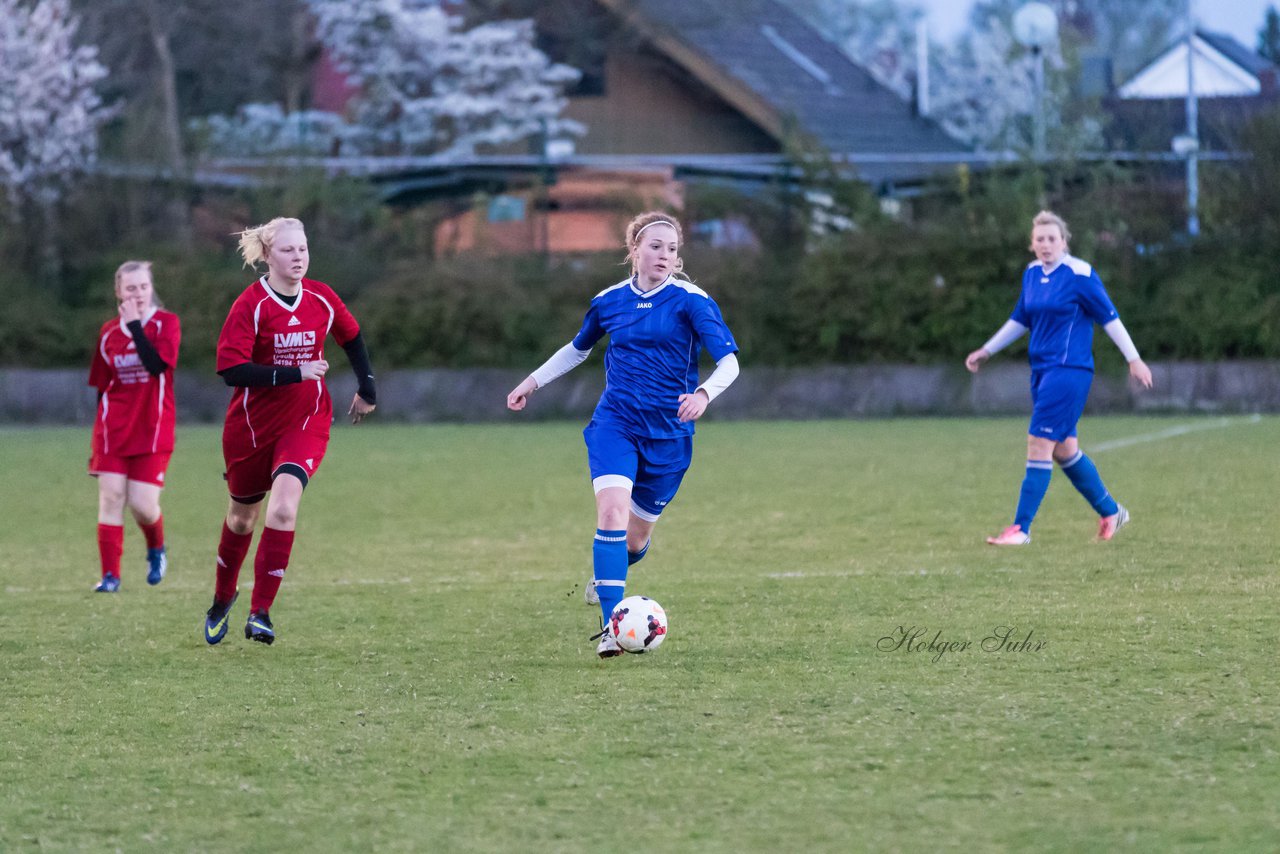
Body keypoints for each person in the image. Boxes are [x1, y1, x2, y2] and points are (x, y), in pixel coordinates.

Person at [506, 211, 740, 658]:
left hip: (669, 436)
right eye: (655, 247)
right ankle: (613, 627)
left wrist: (704, 395)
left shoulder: (691, 300)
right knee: (610, 512)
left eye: (672, 249)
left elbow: (729, 361)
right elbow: (578, 350)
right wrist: (532, 381)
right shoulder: (609, 301)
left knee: (633, 541)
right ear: (634, 250)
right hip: (616, 423)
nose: (665, 256)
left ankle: (606, 572)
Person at [203, 217, 377, 645]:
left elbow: (351, 337)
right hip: (251, 428)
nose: (298, 257)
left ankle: (261, 612)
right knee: (242, 519)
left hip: (306, 420)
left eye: (302, 249)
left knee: (283, 508)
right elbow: (231, 369)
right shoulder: (251, 304)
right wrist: (295, 371)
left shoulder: (322, 297)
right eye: (288, 250)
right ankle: (223, 597)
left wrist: (367, 387)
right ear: (268, 256)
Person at [966, 210, 1154, 546]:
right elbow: (1020, 319)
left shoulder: (1079, 274)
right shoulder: (1032, 274)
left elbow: (1110, 317)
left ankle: (1021, 529)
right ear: (1032, 244)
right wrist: (987, 350)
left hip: (1069, 371)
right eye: (1040, 239)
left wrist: (1134, 359)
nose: (1046, 244)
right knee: (1064, 451)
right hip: (1042, 371)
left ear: (1064, 242)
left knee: (1039, 442)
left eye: (1052, 238)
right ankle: (1112, 511)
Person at [87, 261, 181, 592]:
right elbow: (102, 385)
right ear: (118, 292)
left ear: (150, 288)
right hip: (113, 431)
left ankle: (156, 548)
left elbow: (156, 366)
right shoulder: (108, 332)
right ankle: (110, 576)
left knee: (142, 504)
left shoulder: (167, 324)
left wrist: (137, 326)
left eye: (143, 287)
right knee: (111, 497)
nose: (138, 293)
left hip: (153, 430)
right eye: (130, 288)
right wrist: (99, 431)